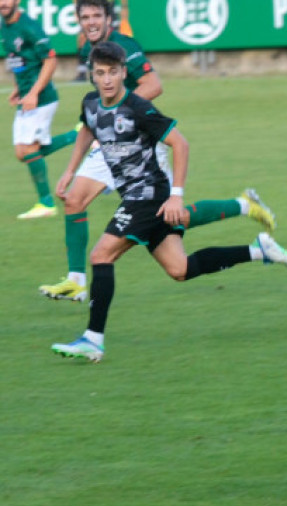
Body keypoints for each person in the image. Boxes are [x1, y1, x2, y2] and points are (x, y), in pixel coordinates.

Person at [50, 41, 287, 363]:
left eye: (113, 72)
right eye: (100, 73)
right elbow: (88, 128)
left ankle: (93, 340)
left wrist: (176, 195)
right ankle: (259, 250)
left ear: (124, 72)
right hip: (136, 196)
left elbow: (180, 144)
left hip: (148, 195)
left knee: (101, 255)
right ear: (92, 76)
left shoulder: (138, 108)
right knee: (179, 269)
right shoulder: (91, 103)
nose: (107, 79)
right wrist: (70, 171)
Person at [40, 0, 273, 303]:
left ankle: (242, 205)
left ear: (109, 17)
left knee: (172, 218)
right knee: (74, 199)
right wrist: (71, 167)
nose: (92, 21)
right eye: (85, 16)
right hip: (112, 142)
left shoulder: (123, 45)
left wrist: (117, 117)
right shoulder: (87, 46)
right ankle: (76, 280)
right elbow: (93, 111)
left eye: (97, 15)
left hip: (138, 142)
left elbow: (153, 84)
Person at [1, 0, 78, 219]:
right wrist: (18, 88)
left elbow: (50, 59)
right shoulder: (4, 26)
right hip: (26, 97)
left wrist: (34, 92)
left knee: (29, 150)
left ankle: (46, 203)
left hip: (41, 98)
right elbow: (20, 60)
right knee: (22, 153)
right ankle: (78, 135)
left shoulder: (29, 27)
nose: (3, 3)